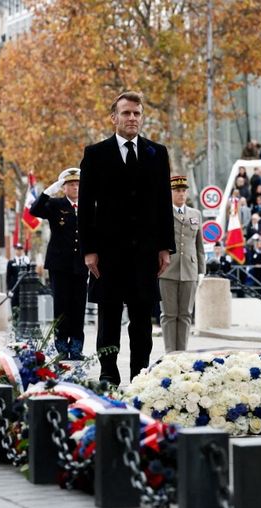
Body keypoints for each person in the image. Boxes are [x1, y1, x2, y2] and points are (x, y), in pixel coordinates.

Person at [79, 91, 175, 386]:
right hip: (108, 253)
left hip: (145, 252)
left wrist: (165, 247)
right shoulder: (95, 154)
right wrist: (88, 250)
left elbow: (164, 203)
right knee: (108, 317)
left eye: (136, 113)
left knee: (142, 319)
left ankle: (140, 374)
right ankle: (108, 373)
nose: (132, 118)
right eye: (126, 113)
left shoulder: (157, 153)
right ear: (114, 118)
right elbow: (86, 206)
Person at [30, 167, 89, 359]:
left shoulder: (88, 205)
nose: (75, 188)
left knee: (78, 306)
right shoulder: (56, 204)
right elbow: (34, 210)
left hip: (81, 264)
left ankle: (77, 346)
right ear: (63, 187)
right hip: (59, 264)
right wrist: (47, 192)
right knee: (61, 306)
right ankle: (62, 346)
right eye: (71, 184)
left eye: (78, 184)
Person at [158, 175, 205, 352]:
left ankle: (182, 353)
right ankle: (171, 353)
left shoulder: (195, 214)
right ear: (170, 192)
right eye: (177, 191)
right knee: (169, 314)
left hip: (189, 270)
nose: (181, 194)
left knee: (186, 314)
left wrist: (201, 270)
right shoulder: (162, 213)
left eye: (184, 191)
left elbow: (199, 246)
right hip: (167, 269)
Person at [6, 243, 30, 311]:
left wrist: (28, 264)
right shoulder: (11, 262)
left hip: (24, 288)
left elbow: (29, 273)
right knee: (14, 305)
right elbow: (8, 277)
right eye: (17, 249)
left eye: (20, 249)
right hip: (14, 288)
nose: (19, 251)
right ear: (15, 250)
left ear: (22, 250)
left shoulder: (26, 261)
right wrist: (9, 289)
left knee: (24, 306)